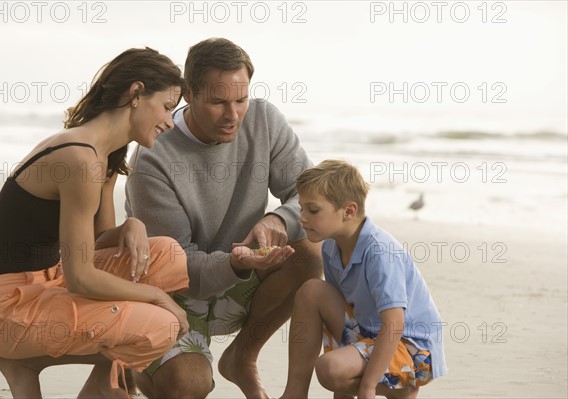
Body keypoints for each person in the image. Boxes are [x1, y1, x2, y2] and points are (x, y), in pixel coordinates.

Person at [0, 47, 191, 399]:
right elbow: (81, 276)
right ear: (136, 93)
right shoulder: (79, 157)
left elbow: (97, 240)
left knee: (165, 255)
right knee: (158, 324)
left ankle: (100, 385)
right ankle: (30, 361)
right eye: (166, 106)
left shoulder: (104, 156)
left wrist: (131, 226)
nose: (169, 121)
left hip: (46, 280)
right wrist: (157, 297)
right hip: (0, 309)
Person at [125, 37, 323, 398]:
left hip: (238, 276)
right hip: (174, 295)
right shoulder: (153, 159)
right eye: (218, 102)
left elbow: (313, 198)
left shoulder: (264, 119)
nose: (233, 115)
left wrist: (278, 220)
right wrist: (235, 264)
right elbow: (178, 269)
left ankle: (242, 357)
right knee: (187, 386)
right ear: (189, 94)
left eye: (241, 99)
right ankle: (137, 364)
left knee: (310, 249)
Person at [281, 160, 447, 399]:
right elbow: (347, 314)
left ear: (348, 211)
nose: (302, 218)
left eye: (313, 210)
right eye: (302, 209)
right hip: (369, 333)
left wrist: (367, 387)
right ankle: (294, 394)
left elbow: (394, 324)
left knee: (329, 369)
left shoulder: (379, 252)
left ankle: (404, 389)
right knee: (311, 291)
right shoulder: (330, 247)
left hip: (411, 348)